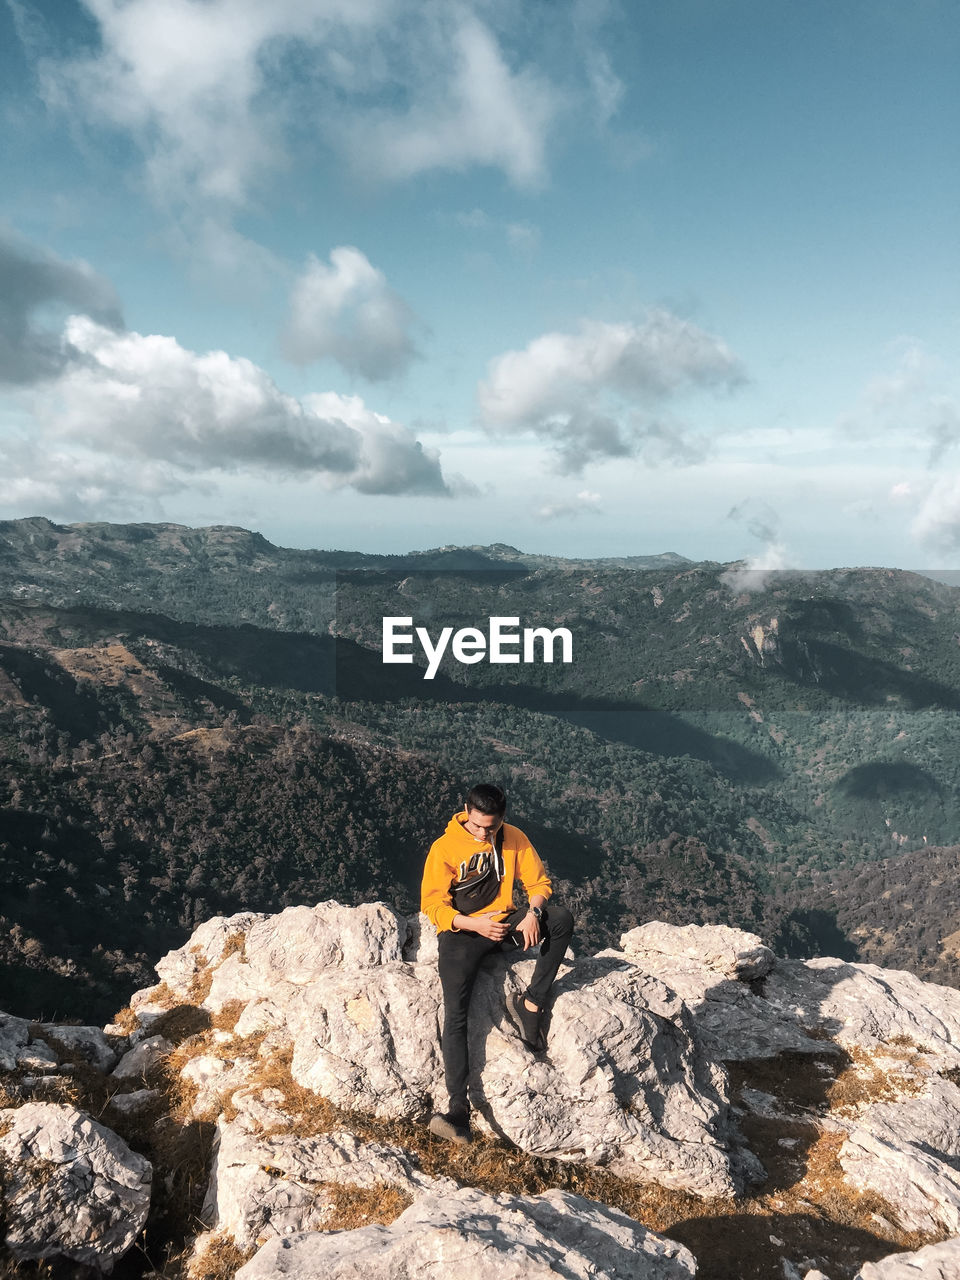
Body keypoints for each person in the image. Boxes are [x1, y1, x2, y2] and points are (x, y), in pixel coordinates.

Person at [420, 782, 574, 1145]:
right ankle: (458, 1111)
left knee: (562, 919)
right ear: (466, 812)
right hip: (463, 933)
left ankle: (531, 1002)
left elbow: (539, 883)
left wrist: (534, 912)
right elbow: (433, 905)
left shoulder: (514, 838)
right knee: (456, 1015)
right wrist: (474, 923)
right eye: (477, 826)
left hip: (505, 924)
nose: (484, 832)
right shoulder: (445, 848)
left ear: (502, 818)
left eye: (490, 826)